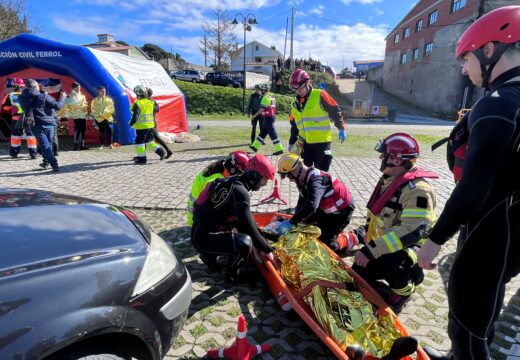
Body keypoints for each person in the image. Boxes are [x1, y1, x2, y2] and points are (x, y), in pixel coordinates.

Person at [417, 6, 520, 360]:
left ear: (490, 50)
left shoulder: (497, 104)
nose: (464, 68)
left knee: (466, 323)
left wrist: (434, 240)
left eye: (467, 58)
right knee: (488, 300)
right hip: (513, 229)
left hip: (491, 228)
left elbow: (474, 187)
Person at [350, 133, 438, 314]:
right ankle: (383, 282)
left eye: (385, 155)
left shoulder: (418, 191)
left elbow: (412, 232)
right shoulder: (389, 180)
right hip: (385, 243)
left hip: (412, 247)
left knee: (393, 262)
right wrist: (367, 244)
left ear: (397, 161)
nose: (381, 158)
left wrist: (371, 250)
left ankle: (404, 292)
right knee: (357, 275)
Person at [191, 154, 277, 284]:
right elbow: (247, 226)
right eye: (265, 180)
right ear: (255, 175)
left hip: (201, 231)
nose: (265, 184)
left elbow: (247, 221)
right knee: (245, 243)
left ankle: (210, 256)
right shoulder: (240, 192)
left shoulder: (235, 181)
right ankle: (232, 277)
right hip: (201, 238)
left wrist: (264, 240)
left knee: (241, 231)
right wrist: (267, 250)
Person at [276, 153, 355, 252]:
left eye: (289, 176)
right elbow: (303, 200)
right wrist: (295, 220)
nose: (290, 180)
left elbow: (312, 205)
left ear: (297, 170)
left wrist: (292, 221)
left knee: (327, 246)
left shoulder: (316, 181)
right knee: (305, 224)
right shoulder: (302, 180)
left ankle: (353, 237)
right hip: (325, 209)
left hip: (341, 212)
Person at [288, 69, 347, 172]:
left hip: (322, 143)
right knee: (304, 175)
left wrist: (341, 128)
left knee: (321, 175)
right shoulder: (294, 103)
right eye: (295, 89)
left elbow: (335, 110)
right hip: (304, 144)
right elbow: (294, 125)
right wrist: (292, 141)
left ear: (307, 83)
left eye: (300, 88)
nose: (298, 91)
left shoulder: (320, 95)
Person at [186, 150, 251, 226]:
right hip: (198, 223)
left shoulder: (217, 168)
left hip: (195, 216)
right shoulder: (217, 182)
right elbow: (217, 208)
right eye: (240, 173)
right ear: (233, 170)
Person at [18, 79, 65, 172]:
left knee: (46, 145)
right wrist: (62, 97)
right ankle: (54, 164)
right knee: (47, 145)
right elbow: (58, 106)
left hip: (35, 125)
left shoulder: (21, 98)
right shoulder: (44, 96)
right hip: (49, 124)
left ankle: (46, 162)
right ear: (36, 87)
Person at [129, 85, 165, 164]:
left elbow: (135, 116)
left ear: (137, 94)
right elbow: (156, 109)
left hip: (141, 127)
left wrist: (131, 123)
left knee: (139, 142)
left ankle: (142, 159)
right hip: (150, 126)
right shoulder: (150, 102)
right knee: (149, 141)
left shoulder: (137, 104)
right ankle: (161, 152)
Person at [4, 78, 37, 159]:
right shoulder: (29, 94)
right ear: (23, 86)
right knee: (30, 135)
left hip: (16, 118)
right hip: (28, 117)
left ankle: (14, 153)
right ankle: (33, 154)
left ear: (13, 85)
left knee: (15, 136)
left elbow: (6, 108)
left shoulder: (9, 95)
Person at [249, 84, 284, 156]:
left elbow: (262, 109)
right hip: (269, 117)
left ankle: (279, 149)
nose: (259, 91)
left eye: (260, 90)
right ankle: (255, 146)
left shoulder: (265, 98)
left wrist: (254, 116)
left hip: (268, 118)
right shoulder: (271, 97)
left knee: (272, 134)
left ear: (264, 90)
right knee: (262, 133)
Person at [60, 82, 89, 150]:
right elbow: (66, 104)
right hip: (76, 115)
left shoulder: (82, 96)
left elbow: (84, 105)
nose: (79, 89)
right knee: (78, 129)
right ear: (73, 88)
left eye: (79, 87)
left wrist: (86, 112)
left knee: (83, 129)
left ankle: (82, 145)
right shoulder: (70, 96)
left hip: (83, 115)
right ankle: (75, 145)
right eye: (77, 87)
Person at [146, 87, 173, 159]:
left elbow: (156, 109)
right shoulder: (148, 101)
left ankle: (166, 152)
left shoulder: (150, 101)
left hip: (150, 124)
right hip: (148, 123)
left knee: (154, 139)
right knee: (147, 139)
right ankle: (141, 155)